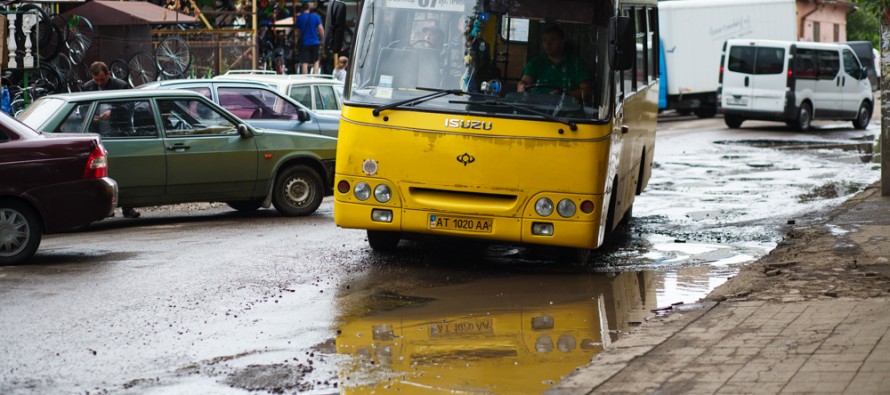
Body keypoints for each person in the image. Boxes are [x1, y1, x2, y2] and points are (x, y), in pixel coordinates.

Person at [81, 61, 140, 219]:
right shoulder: (88, 87)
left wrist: (112, 112)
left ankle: (127, 207)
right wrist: (89, 116)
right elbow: (81, 108)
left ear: (108, 74)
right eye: (96, 80)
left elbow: (130, 106)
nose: (99, 83)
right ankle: (108, 208)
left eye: (102, 79)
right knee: (103, 175)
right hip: (98, 136)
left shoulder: (121, 86)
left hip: (119, 134)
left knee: (124, 172)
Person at [516, 25, 591, 103]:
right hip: (536, 106)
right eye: (545, 40)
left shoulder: (576, 64)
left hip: (567, 108)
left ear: (562, 43)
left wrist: (567, 94)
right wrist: (521, 86)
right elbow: (524, 82)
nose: (548, 44)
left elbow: (586, 91)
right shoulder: (534, 63)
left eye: (552, 40)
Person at [295, 2, 325, 74]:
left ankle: (305, 79)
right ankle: (315, 77)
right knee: (316, 61)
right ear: (309, 8)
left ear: (302, 9)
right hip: (315, 42)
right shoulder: (315, 16)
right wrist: (323, 39)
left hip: (304, 43)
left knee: (305, 62)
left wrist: (296, 42)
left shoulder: (299, 18)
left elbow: (297, 32)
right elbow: (320, 29)